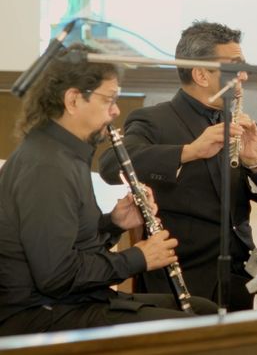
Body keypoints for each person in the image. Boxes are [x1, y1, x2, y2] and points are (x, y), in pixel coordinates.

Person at [0, 44, 216, 335]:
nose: (115, 111)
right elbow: (55, 276)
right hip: (41, 315)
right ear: (74, 100)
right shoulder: (47, 167)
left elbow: (69, 244)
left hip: (70, 303)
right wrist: (138, 257)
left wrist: (113, 223)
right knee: (196, 330)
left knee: (206, 312)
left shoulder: (64, 153)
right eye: (109, 100)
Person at [99, 21, 257, 309]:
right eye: (234, 66)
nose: (243, 74)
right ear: (202, 74)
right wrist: (188, 152)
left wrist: (255, 162)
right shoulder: (154, 120)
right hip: (191, 275)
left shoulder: (239, 123)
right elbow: (109, 166)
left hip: (247, 267)